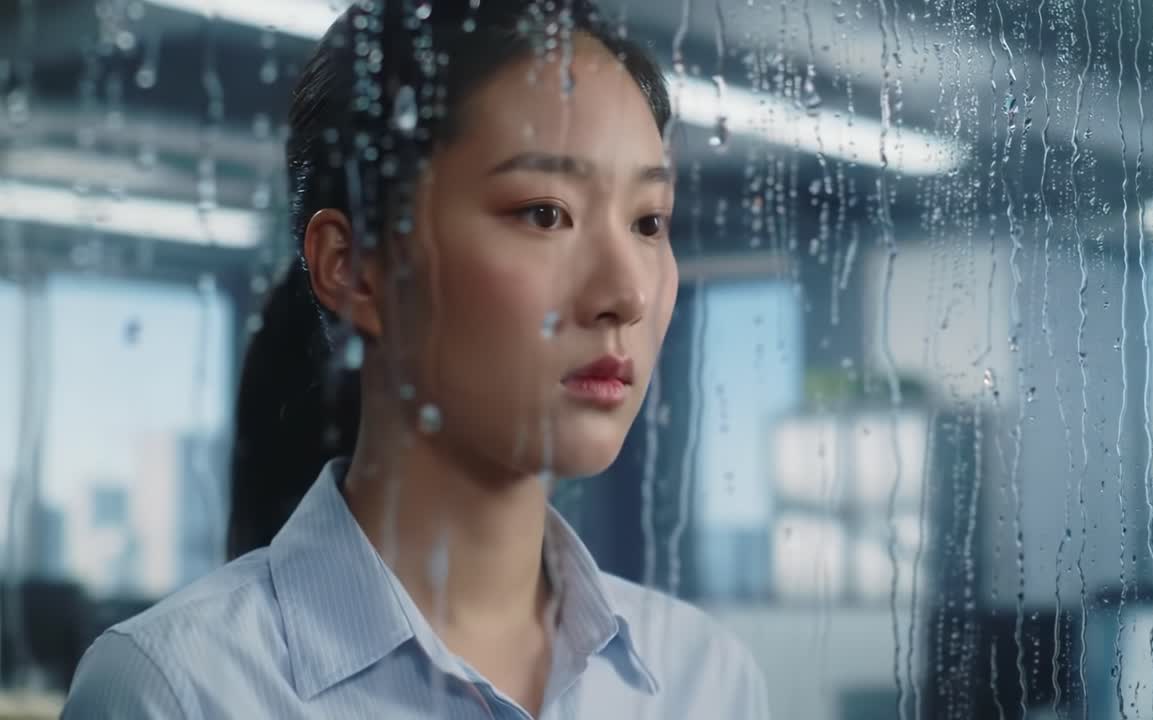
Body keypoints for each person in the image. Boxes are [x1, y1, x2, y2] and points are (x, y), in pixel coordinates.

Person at [62, 0, 770, 717]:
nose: (628, 293)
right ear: (355, 268)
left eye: (649, 221)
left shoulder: (703, 681)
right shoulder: (180, 690)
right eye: (544, 212)